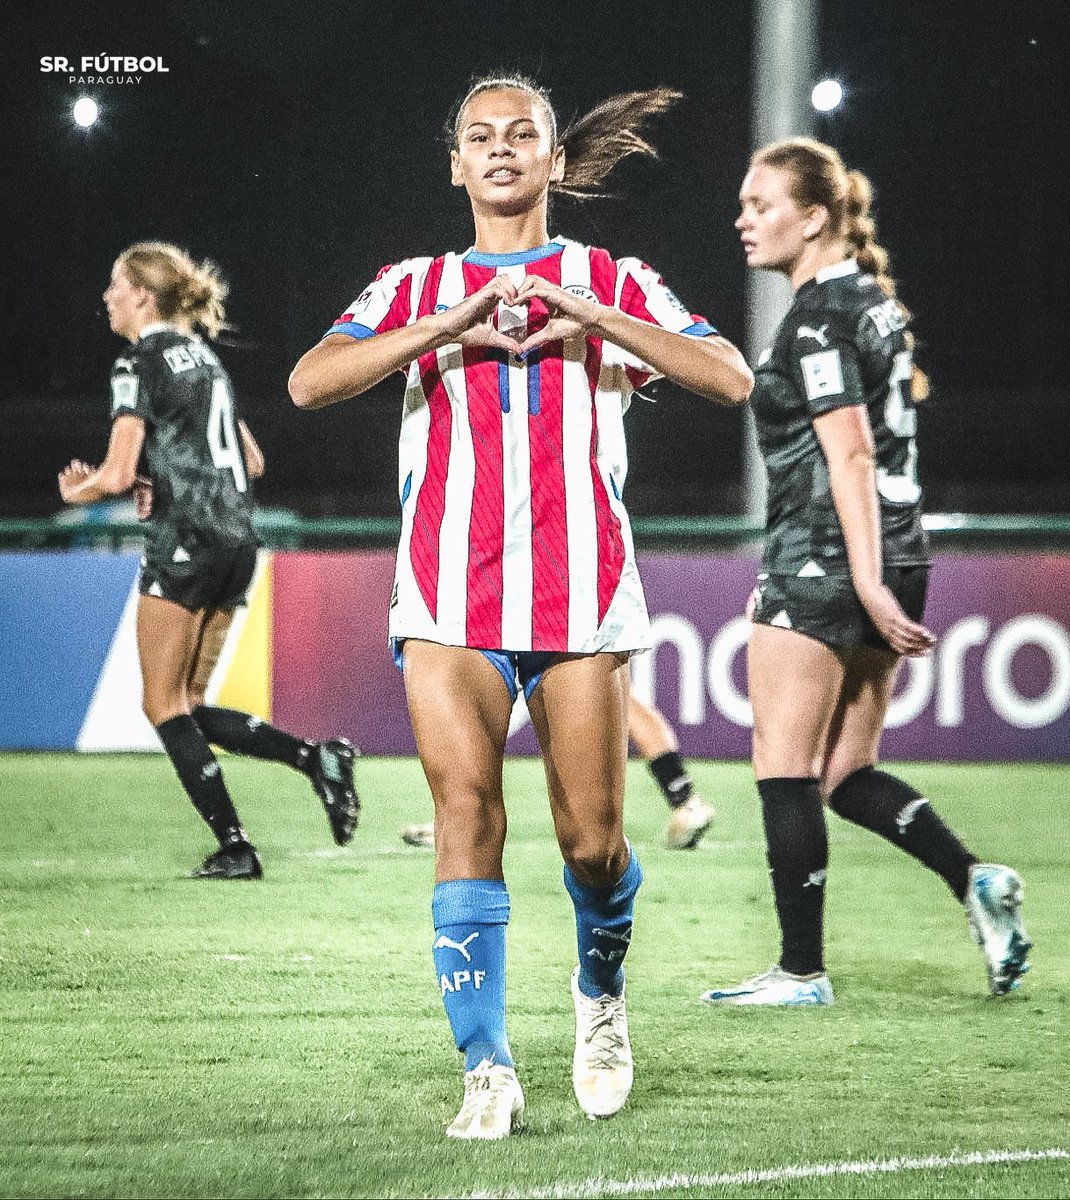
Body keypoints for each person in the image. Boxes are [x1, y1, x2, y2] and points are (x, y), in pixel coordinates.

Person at [289, 75, 752, 1138]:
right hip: (448, 602)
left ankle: (599, 997)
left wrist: (594, 320)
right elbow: (311, 384)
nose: (500, 150)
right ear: (454, 163)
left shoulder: (609, 277)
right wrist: (444, 326)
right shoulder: (412, 284)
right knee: (466, 817)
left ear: (552, 160)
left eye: (521, 135)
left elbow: (728, 378)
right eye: (479, 137)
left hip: (580, 599)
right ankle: (486, 1067)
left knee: (591, 845)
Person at [700, 138, 1031, 1007]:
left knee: (783, 765)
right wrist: (884, 573)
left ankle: (801, 972)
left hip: (829, 553)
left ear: (812, 218)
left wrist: (864, 581)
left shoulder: (815, 316)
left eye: (760, 204)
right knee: (845, 774)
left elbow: (846, 456)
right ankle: (974, 880)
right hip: (895, 545)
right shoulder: (874, 302)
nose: (743, 219)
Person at [59, 241, 359, 881]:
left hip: (186, 539)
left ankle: (237, 846)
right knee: (190, 703)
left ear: (142, 294)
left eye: (116, 284)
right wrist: (159, 473)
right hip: (237, 539)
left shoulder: (137, 360)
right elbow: (248, 460)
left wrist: (78, 489)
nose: (108, 296)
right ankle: (315, 758)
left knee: (163, 705)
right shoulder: (207, 363)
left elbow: (111, 475)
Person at [400, 688, 715, 850]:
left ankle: (458, 821)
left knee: (485, 689)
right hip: (576, 582)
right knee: (617, 693)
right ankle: (686, 801)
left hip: (546, 584)